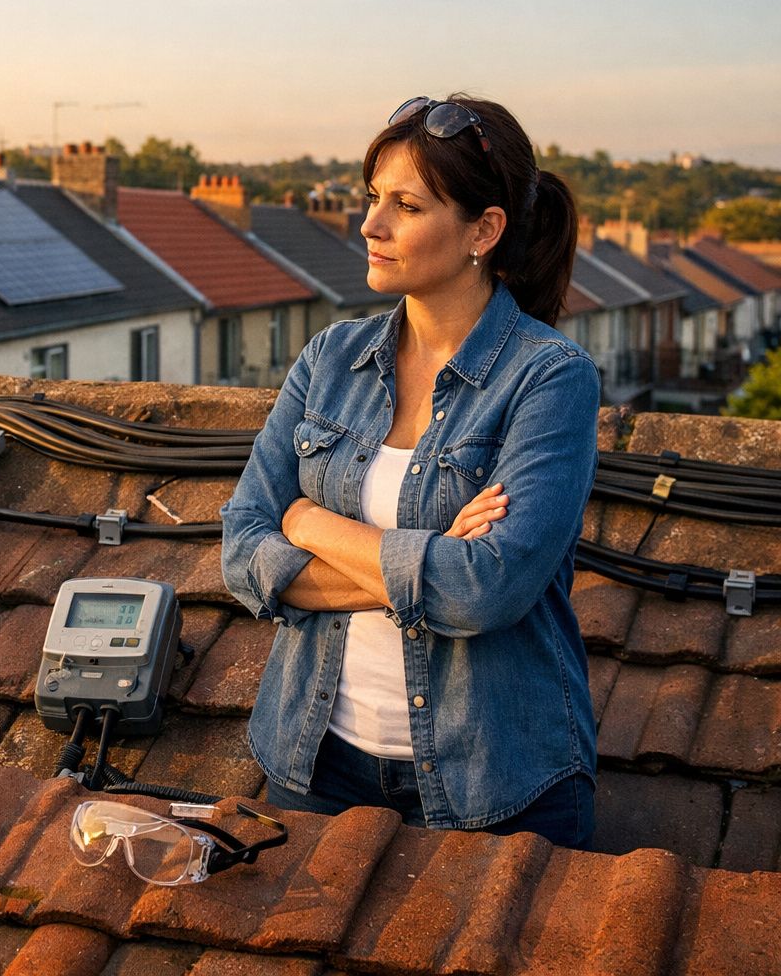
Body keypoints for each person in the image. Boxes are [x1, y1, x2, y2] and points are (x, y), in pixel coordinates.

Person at [221, 95, 598, 847]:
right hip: (313, 761)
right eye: (373, 199)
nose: (370, 224)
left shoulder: (549, 379)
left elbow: (490, 589)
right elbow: (240, 549)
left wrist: (312, 522)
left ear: (483, 231)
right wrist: (437, 563)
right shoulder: (331, 359)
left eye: (407, 205)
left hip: (496, 777)